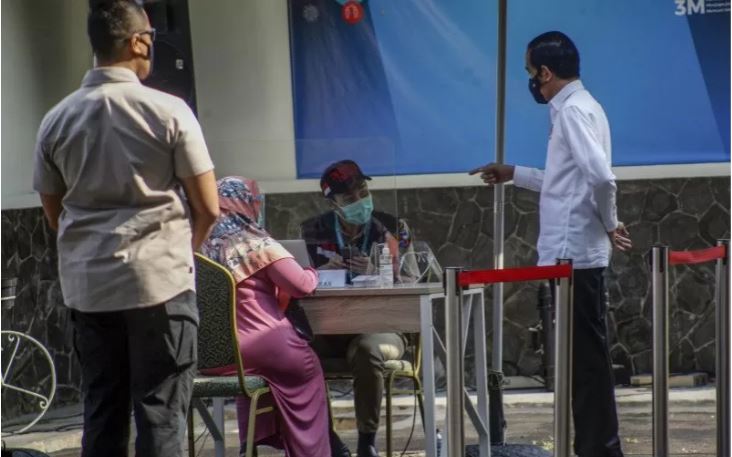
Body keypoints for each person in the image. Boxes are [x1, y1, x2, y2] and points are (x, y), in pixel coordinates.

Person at [32, 1, 219, 456]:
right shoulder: (168, 111)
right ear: (138, 41)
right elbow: (209, 208)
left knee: (103, 412)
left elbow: (54, 213)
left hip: (90, 290)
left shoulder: (56, 120)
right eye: (151, 37)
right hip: (161, 285)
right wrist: (180, 253)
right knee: (161, 416)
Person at [470, 31, 631, 457]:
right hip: (573, 253)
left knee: (586, 364)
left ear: (545, 72)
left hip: (573, 254)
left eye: (530, 72)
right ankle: (594, 446)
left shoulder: (574, 112)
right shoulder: (580, 108)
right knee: (582, 362)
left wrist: (611, 223)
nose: (531, 82)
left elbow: (601, 178)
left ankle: (600, 449)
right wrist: (514, 173)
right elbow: (566, 181)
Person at [200, 177, 332, 457]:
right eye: (255, 199)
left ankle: (252, 445)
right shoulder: (255, 243)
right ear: (243, 203)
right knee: (307, 370)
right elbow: (300, 285)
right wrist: (313, 271)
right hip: (267, 347)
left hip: (218, 358)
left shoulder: (197, 247)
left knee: (255, 375)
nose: (258, 206)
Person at [300, 160, 408, 457]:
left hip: (380, 326)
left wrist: (378, 269)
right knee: (294, 353)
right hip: (331, 327)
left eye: (363, 191)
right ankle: (328, 439)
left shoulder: (392, 227)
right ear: (334, 204)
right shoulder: (313, 231)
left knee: (367, 350)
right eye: (349, 199)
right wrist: (322, 273)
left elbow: (413, 278)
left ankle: (366, 444)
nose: (360, 201)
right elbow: (299, 280)